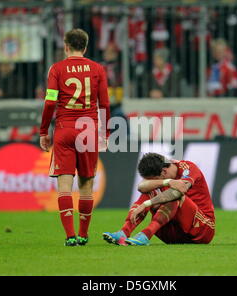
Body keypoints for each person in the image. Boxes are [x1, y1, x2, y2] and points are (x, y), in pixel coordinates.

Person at [39, 29, 110, 246]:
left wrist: (43, 130)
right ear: (86, 47)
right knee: (87, 184)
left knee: (65, 184)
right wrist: (105, 132)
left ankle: (70, 236)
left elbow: (50, 101)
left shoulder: (57, 69)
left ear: (66, 46)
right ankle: (83, 234)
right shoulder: (98, 69)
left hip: (65, 128)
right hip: (88, 129)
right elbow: (105, 104)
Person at [103, 153, 215, 246]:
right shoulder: (164, 174)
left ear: (164, 172)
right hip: (175, 233)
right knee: (149, 190)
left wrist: (147, 203)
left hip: (202, 230)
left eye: (156, 179)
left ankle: (146, 235)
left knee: (175, 194)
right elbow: (141, 187)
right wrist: (166, 182)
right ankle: (124, 232)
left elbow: (178, 192)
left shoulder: (188, 169)